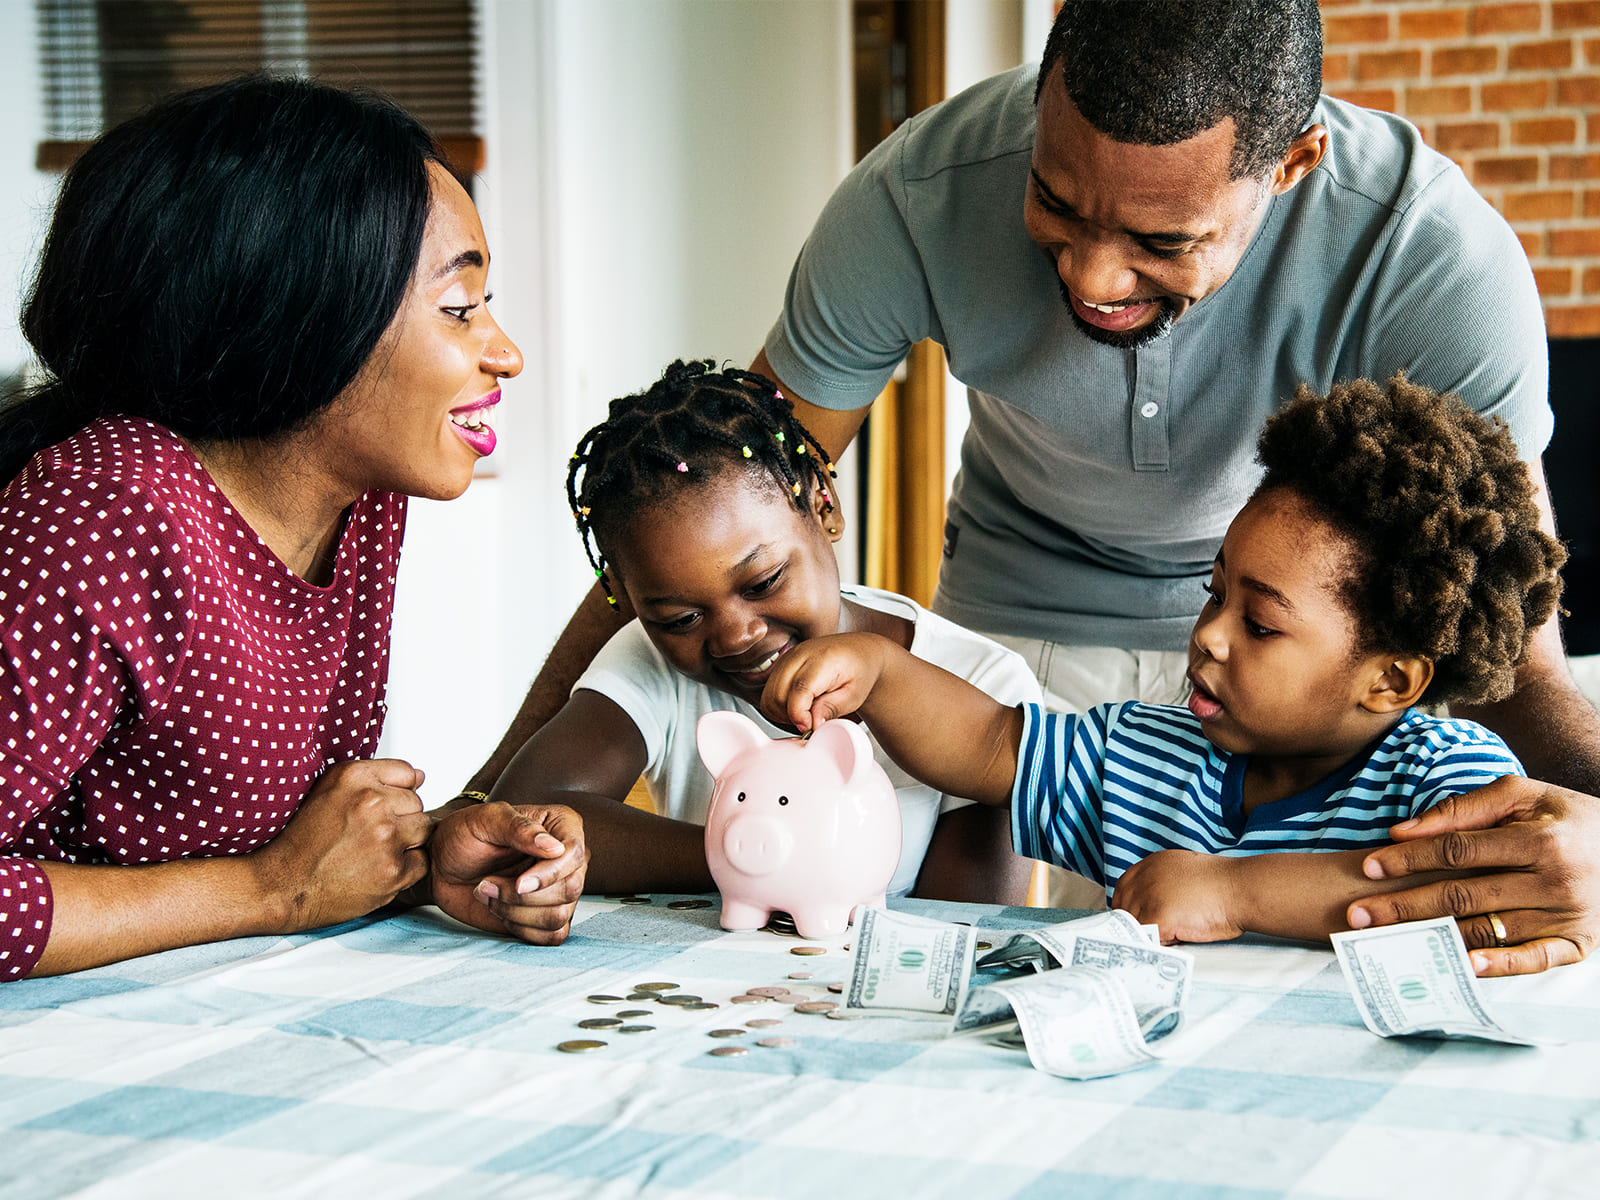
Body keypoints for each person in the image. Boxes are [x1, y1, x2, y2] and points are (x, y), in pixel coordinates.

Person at [468, 0, 1600, 973]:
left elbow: (1519, 659)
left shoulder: (1431, 258)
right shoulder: (916, 193)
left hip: (1318, 670)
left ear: (1292, 163)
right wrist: (481, 808)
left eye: (1161, 236)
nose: (1094, 276)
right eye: (1056, 204)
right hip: (1018, 656)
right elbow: (712, 496)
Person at [0, 76, 584, 980]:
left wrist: (426, 860)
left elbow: (298, 845)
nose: (503, 351)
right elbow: (274, 878)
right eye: (459, 307)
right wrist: (271, 893)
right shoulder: (108, 512)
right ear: (303, 310)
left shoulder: (359, 503)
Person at [760, 376, 1567, 964]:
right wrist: (880, 672)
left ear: (1390, 681)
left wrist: (1230, 891)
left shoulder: (1447, 779)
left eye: (1259, 624)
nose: (1210, 636)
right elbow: (990, 744)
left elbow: (1474, 894)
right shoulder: (1146, 754)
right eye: (1214, 595)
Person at [455, 358, 1040, 931]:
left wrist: (767, 856)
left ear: (823, 506)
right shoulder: (648, 658)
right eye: (681, 617)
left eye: (763, 583)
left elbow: (963, 925)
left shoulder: (982, 682)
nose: (736, 635)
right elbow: (529, 809)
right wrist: (739, 857)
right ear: (625, 597)